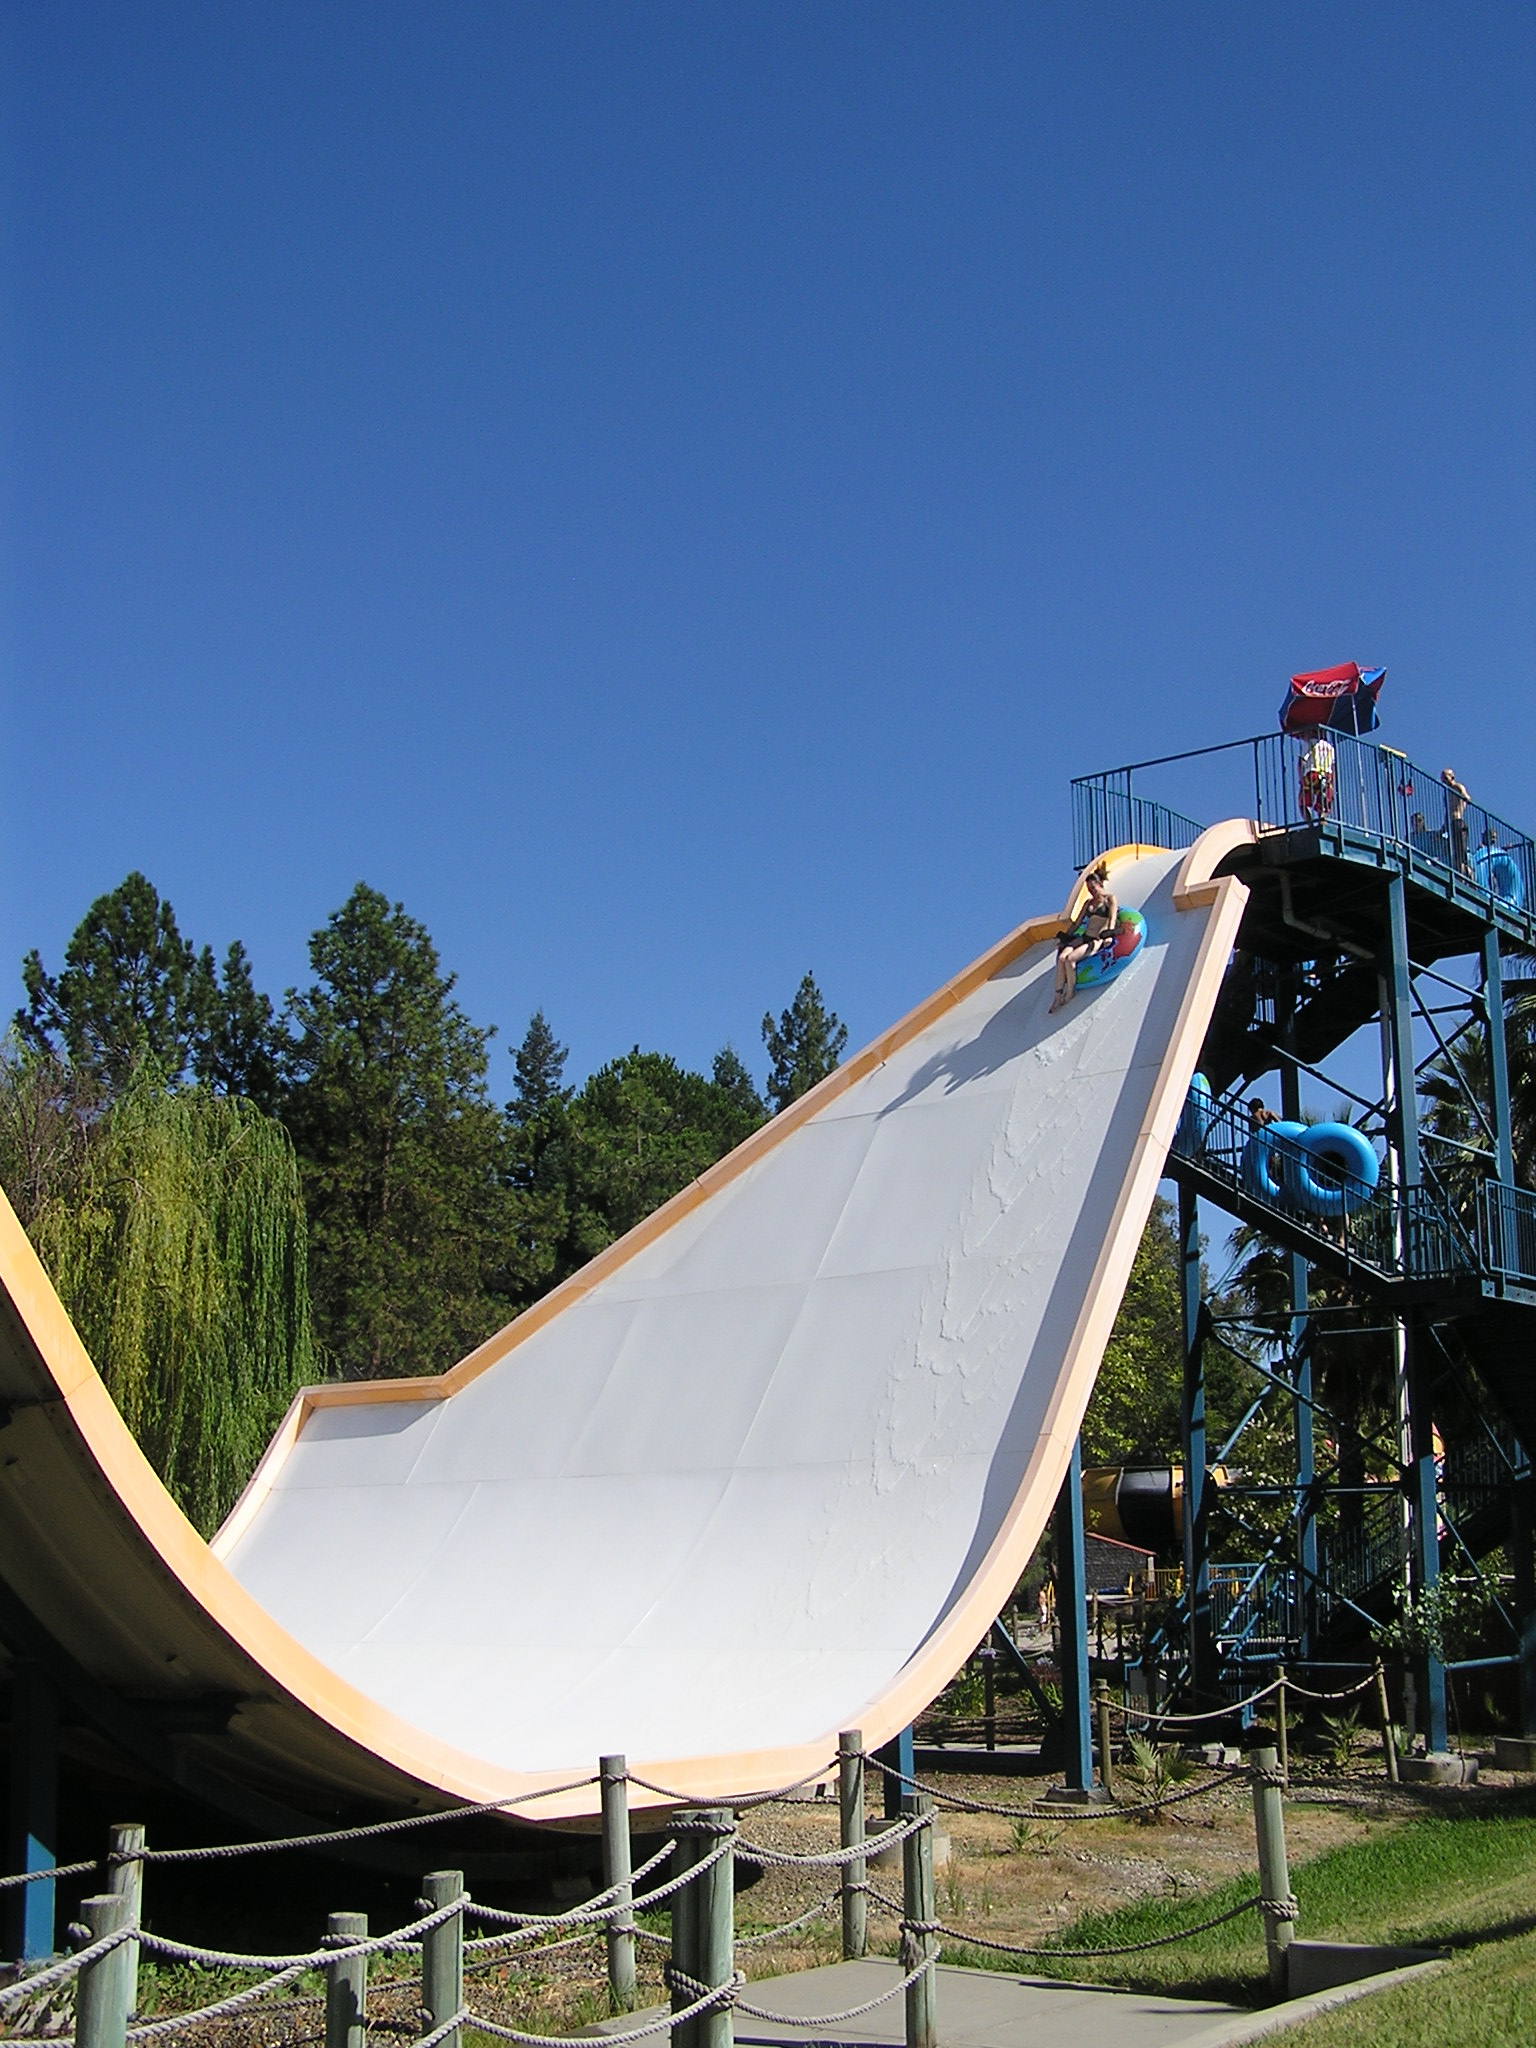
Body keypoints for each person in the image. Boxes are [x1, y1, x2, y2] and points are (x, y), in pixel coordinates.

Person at [1051, 863, 1118, 1012]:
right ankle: (1057, 996)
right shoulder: (1089, 903)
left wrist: (1109, 934)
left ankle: (1070, 991)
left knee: (1070, 959)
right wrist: (1065, 936)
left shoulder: (1109, 899)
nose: (1091, 892)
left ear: (1099, 884)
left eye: (1093, 888)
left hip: (1096, 939)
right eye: (1089, 889)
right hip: (1085, 936)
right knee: (1062, 958)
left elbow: (1112, 918)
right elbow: (1078, 922)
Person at [1299, 733, 1336, 823]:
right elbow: (1333, 767)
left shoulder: (1309, 743)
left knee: (1302, 803)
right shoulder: (1330, 747)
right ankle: (1322, 820)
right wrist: (1332, 783)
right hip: (1327, 776)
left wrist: (1301, 779)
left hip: (1312, 775)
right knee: (1325, 801)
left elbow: (1302, 762)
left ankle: (1309, 823)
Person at [1442, 768, 1471, 874]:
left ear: (1452, 777)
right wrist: (1443, 829)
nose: (1444, 780)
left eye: (1446, 777)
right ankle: (1460, 876)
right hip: (1452, 824)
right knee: (1456, 855)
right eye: (1442, 778)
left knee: (1460, 856)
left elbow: (1466, 796)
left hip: (1459, 823)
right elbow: (1447, 813)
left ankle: (1469, 880)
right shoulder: (1447, 793)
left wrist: (1464, 799)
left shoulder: (1457, 787)